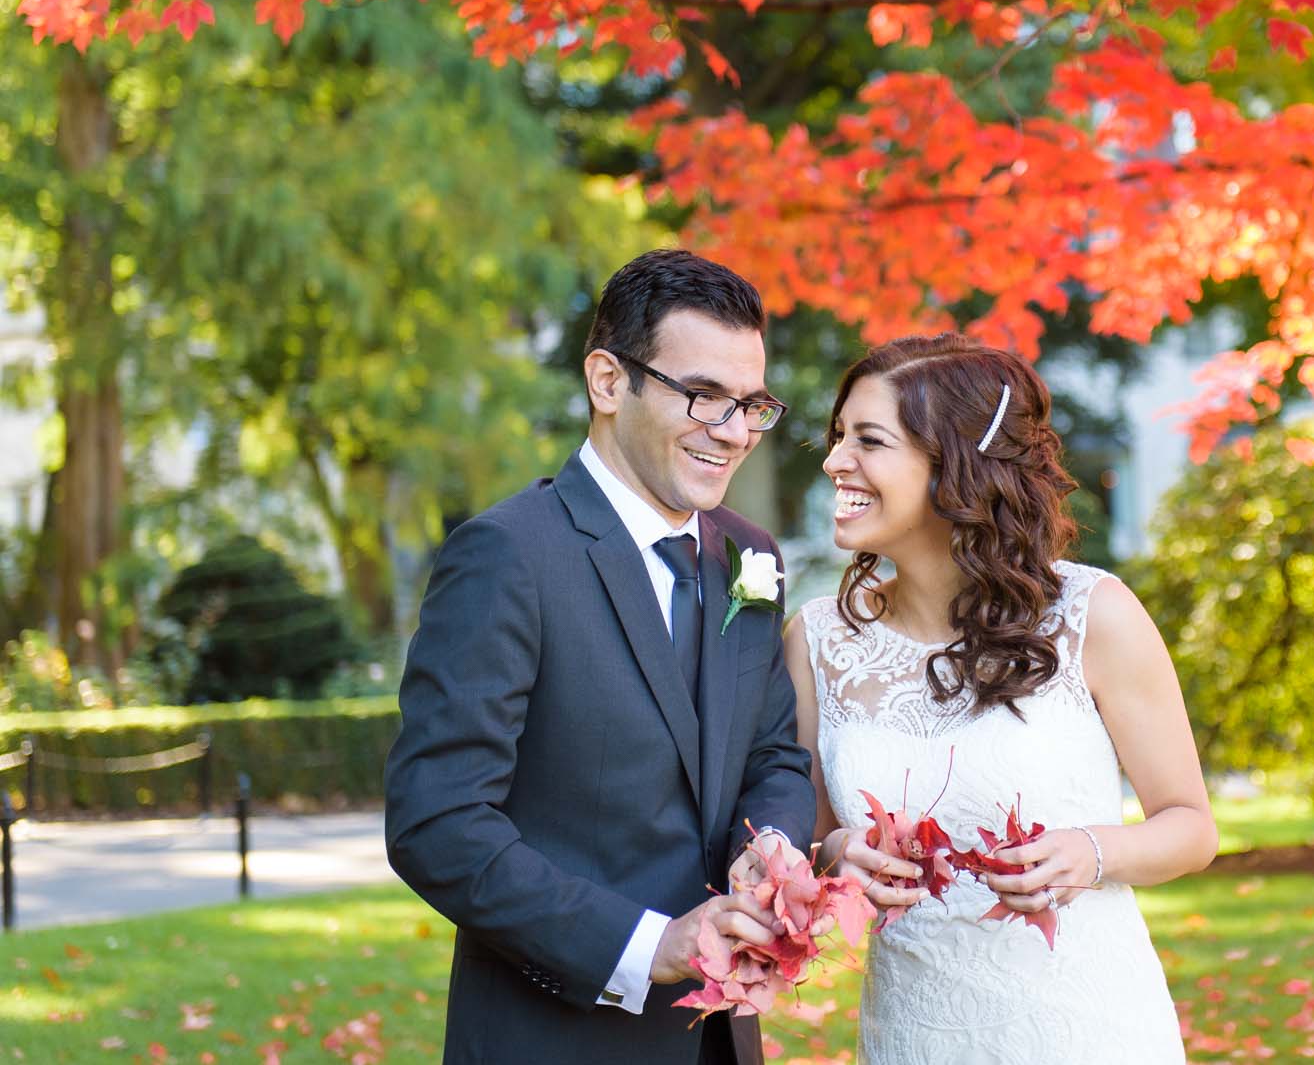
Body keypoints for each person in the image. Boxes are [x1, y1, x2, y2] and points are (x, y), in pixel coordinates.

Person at [386, 249, 818, 1065]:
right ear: (609, 382)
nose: (732, 433)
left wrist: (771, 850)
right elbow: (435, 822)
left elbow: (772, 756)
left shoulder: (750, 558)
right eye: (703, 396)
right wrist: (646, 946)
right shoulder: (508, 556)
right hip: (553, 1039)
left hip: (722, 1044)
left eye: (751, 404)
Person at [783, 333, 1217, 1063]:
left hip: (1087, 1030)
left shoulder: (1092, 614)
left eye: (869, 440)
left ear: (952, 465)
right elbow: (811, 835)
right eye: (837, 436)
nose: (833, 461)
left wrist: (1092, 850)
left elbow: (1191, 826)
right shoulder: (819, 639)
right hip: (912, 1034)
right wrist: (836, 853)